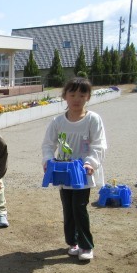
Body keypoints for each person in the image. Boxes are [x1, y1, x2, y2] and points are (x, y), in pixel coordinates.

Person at [42, 77, 107, 261]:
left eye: (82, 95)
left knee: (79, 208)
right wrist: (48, 161)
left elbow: (99, 144)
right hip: (63, 172)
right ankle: (73, 242)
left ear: (88, 97)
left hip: (83, 173)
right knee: (68, 208)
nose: (77, 99)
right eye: (72, 94)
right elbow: (48, 145)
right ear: (65, 96)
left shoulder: (93, 119)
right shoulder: (57, 122)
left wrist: (91, 163)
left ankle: (86, 246)